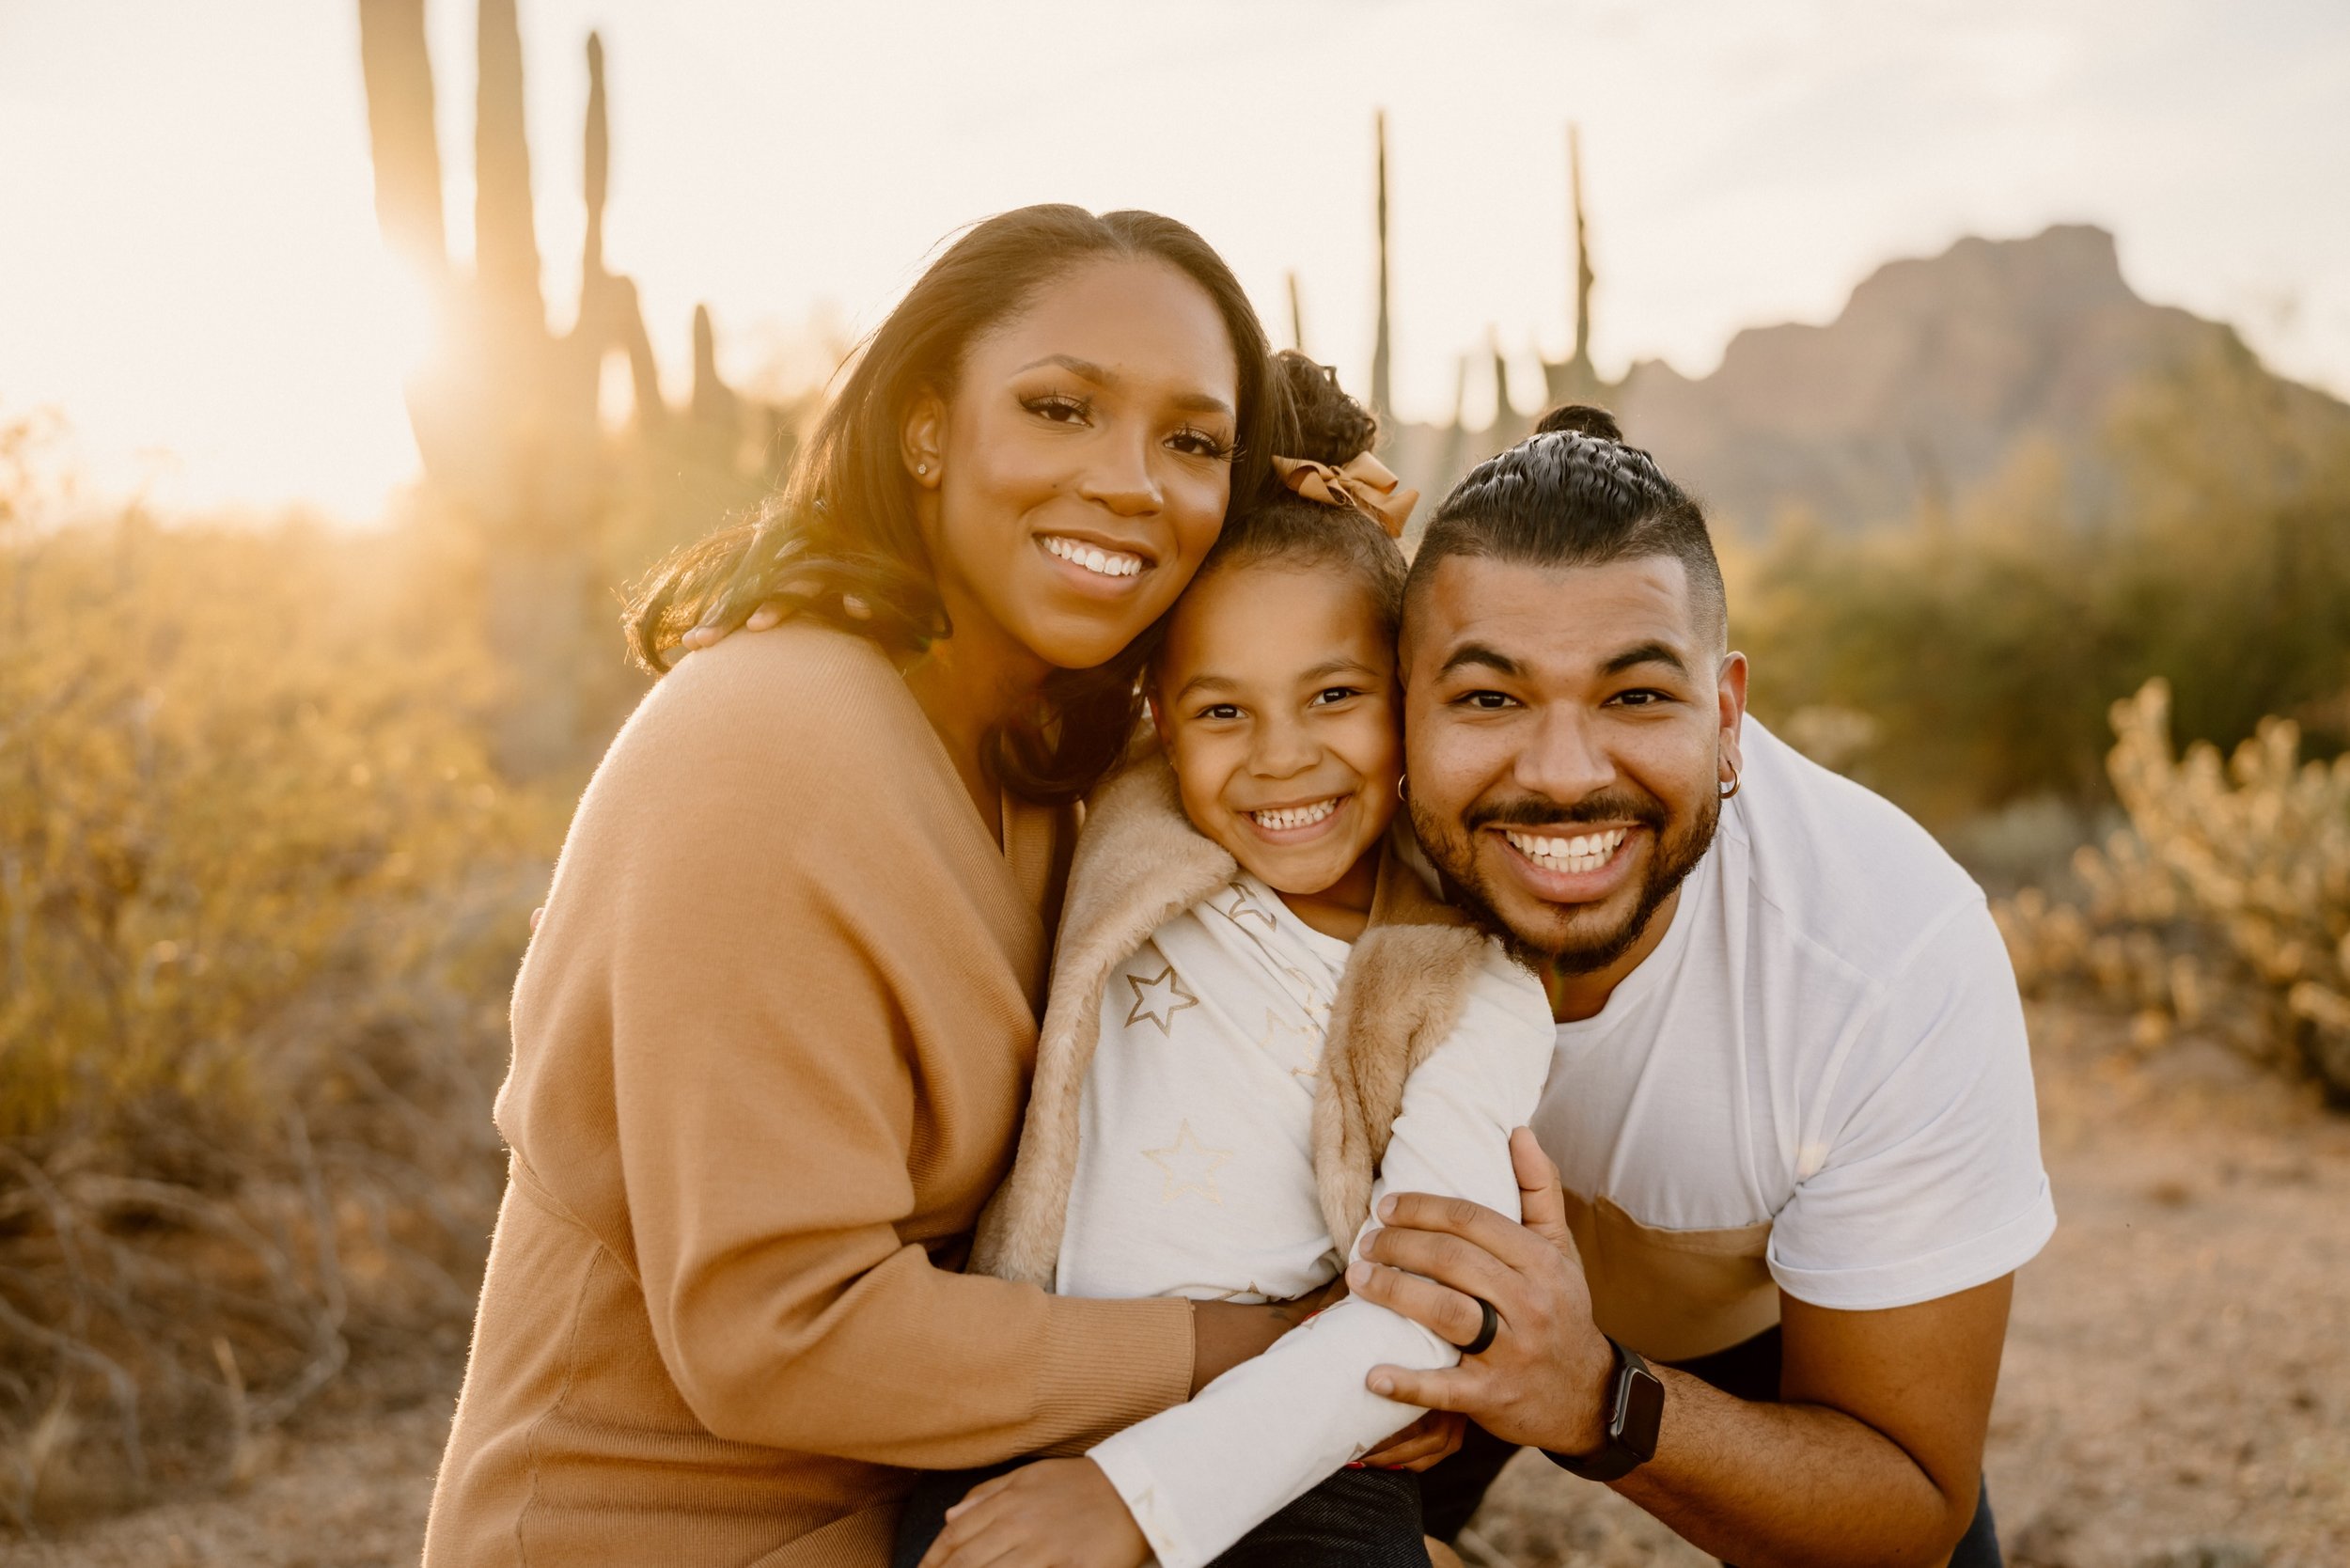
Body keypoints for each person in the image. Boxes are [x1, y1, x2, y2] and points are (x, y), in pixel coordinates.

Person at [420, 206, 1318, 1568]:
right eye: (1062, 409)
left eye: (1193, 443)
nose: (1133, 482)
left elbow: (1319, 795)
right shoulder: (770, 745)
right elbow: (784, 1334)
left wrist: (1328, 576)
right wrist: (1251, 1352)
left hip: (933, 1505)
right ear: (926, 428)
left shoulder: (1034, 757)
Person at [1346, 406, 2055, 1567]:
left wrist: (1591, 1395)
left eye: (1634, 697)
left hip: (1735, 1318)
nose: (1564, 776)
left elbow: (1908, 1499)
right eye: (1486, 698)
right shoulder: (1303, 845)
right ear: (1398, 706)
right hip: (1403, 1271)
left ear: (1724, 717)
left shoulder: (1886, 954)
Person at [898, 355, 1555, 1568]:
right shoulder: (1134, 825)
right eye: (1221, 712)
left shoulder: (1468, 988)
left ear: (1410, 695)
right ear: (1157, 713)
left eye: (1335, 696)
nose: (1279, 760)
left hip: (1301, 1457)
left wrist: (1129, 1502)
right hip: (1039, 1407)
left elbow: (1425, 1304)